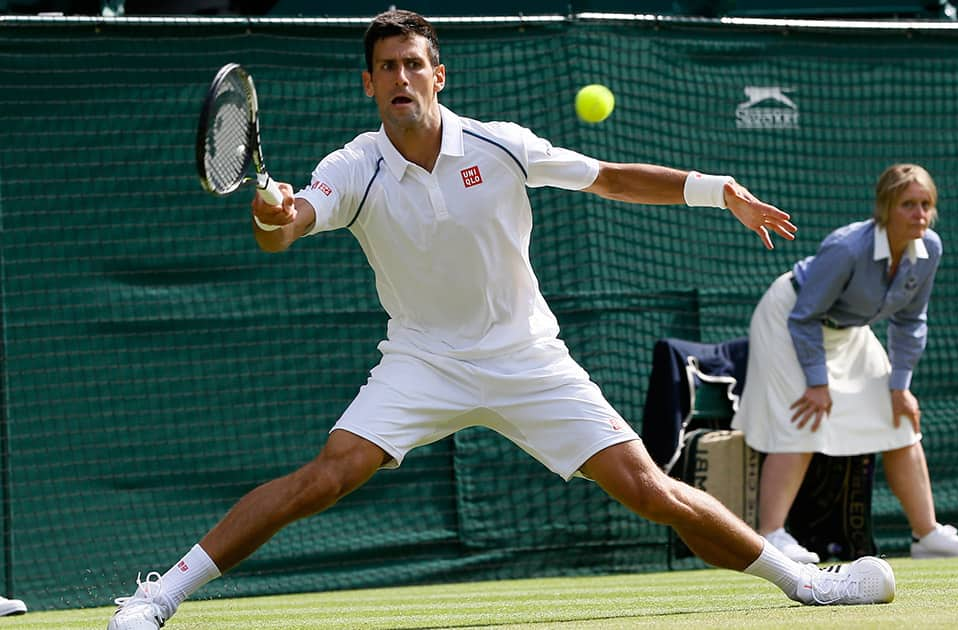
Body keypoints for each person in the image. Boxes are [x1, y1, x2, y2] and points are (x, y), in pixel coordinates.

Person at [107, 10, 896, 629]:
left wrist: (714, 185)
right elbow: (285, 229)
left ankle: (807, 585)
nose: (401, 77)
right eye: (386, 68)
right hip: (422, 360)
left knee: (650, 490)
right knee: (326, 476)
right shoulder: (353, 166)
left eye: (414, 63)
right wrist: (273, 212)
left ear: (438, 74)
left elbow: (611, 178)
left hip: (526, 356)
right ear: (369, 85)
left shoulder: (502, 145)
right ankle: (157, 598)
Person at [732, 163, 958, 563]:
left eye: (926, 205)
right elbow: (804, 316)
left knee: (900, 416)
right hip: (790, 320)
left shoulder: (930, 249)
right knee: (802, 418)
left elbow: (911, 320)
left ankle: (927, 535)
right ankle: (773, 536)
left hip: (847, 330)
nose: (920, 214)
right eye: (908, 204)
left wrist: (900, 386)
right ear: (885, 208)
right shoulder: (847, 247)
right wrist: (817, 384)